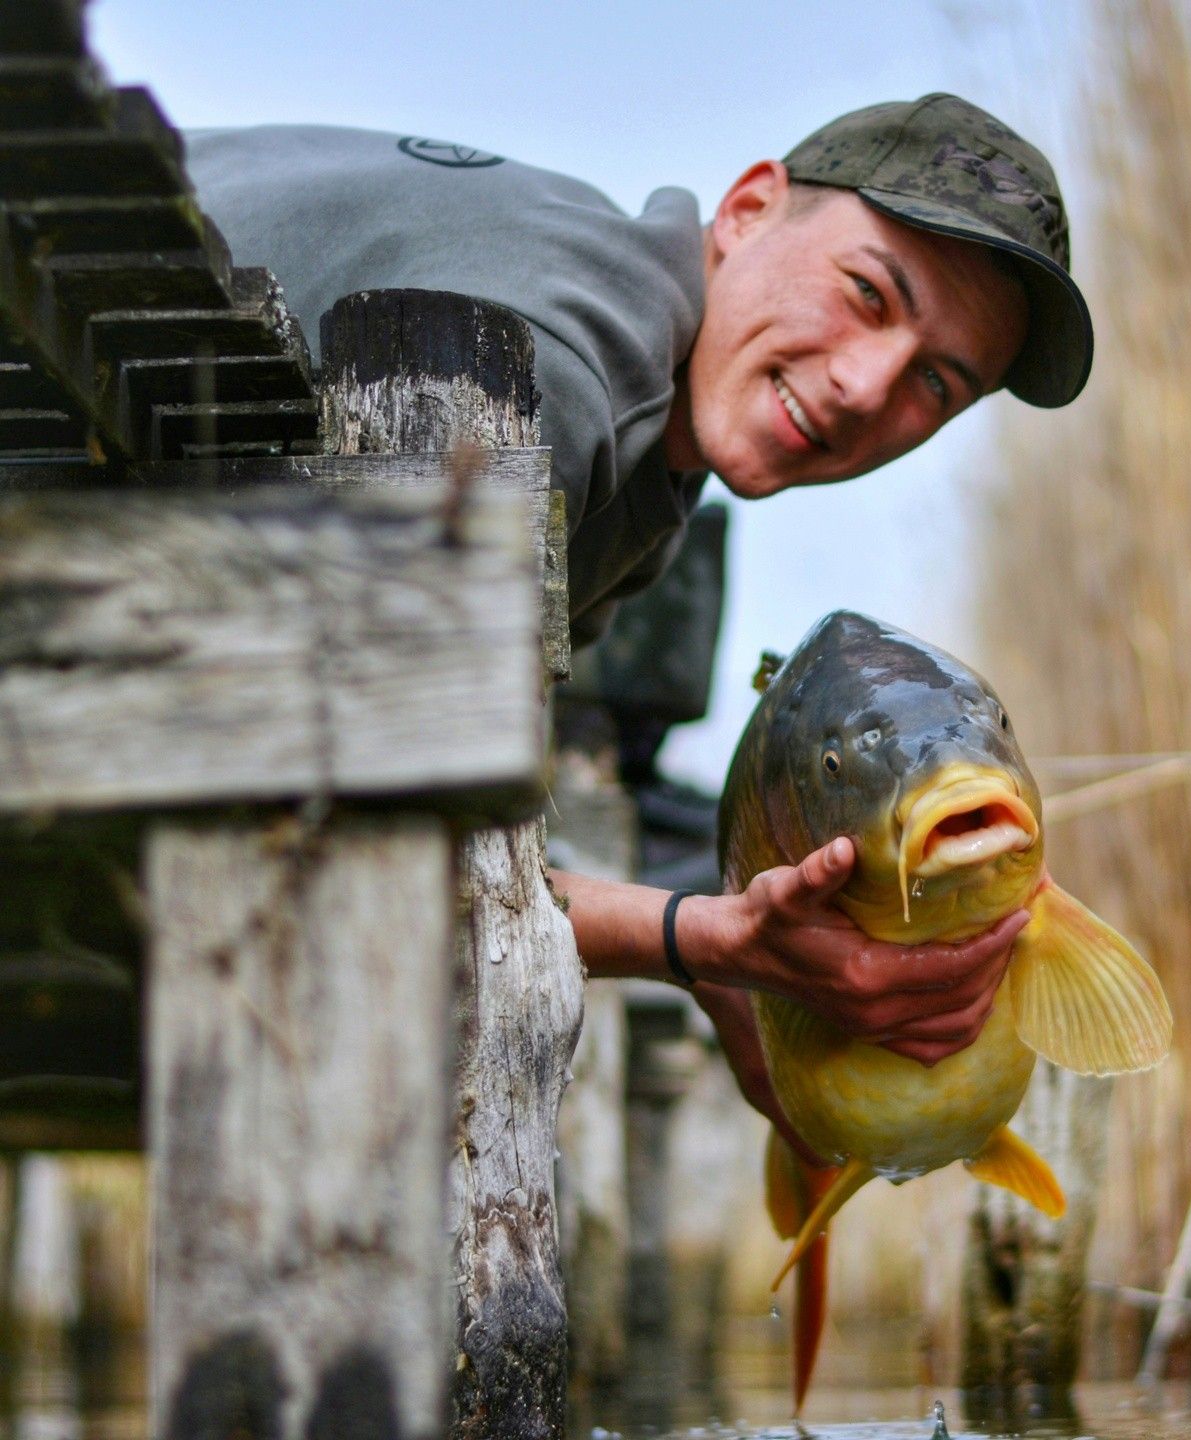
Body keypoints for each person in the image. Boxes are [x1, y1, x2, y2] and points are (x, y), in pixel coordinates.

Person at [187, 94, 1092, 1153]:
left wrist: (719, 950)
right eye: (866, 293)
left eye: (935, 383)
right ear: (749, 209)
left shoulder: (642, 469)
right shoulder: (554, 365)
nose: (863, 385)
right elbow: (363, 850)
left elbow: (439, 809)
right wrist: (691, 937)